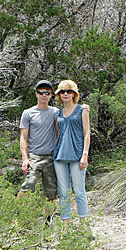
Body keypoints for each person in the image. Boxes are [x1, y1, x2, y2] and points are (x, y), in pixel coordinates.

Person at [53, 79, 90, 221]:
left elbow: (87, 133)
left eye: (69, 91)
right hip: (60, 156)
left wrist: (85, 154)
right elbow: (58, 134)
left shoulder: (82, 110)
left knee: (79, 192)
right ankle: (65, 228)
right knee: (63, 193)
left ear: (74, 93)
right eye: (62, 91)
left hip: (77, 156)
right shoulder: (57, 114)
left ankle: (83, 227)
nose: (65, 94)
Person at [19, 80, 59, 201]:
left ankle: (49, 219)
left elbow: (59, 133)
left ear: (51, 95)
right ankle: (16, 216)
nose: (44, 95)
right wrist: (25, 158)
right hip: (34, 156)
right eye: (41, 92)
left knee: (51, 192)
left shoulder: (55, 112)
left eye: (47, 93)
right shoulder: (28, 113)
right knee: (28, 185)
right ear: (36, 94)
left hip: (51, 156)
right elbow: (23, 137)